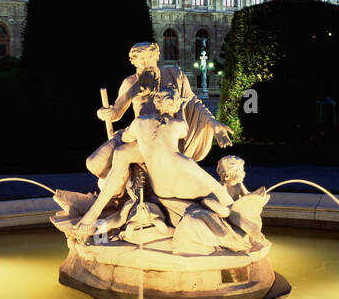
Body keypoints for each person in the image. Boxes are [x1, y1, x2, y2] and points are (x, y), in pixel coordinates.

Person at [76, 42, 232, 237]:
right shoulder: (130, 82)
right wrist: (104, 113)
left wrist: (214, 123)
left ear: (156, 57)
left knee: (122, 154)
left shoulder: (174, 75)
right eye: (139, 61)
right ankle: (120, 193)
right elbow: (115, 112)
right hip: (136, 131)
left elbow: (194, 102)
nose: (144, 64)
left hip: (161, 138)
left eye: (147, 59)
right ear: (133, 62)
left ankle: (97, 213)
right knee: (93, 163)